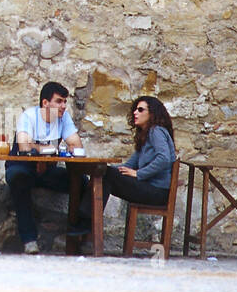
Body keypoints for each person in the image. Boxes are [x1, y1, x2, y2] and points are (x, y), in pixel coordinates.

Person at [71, 95, 177, 234]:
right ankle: (86, 223)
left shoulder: (155, 131)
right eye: (135, 109)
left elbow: (164, 158)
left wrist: (139, 174)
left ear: (152, 114)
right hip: (150, 189)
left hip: (157, 192)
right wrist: (103, 170)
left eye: (140, 110)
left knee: (106, 174)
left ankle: (85, 223)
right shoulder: (145, 136)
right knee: (104, 175)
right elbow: (128, 166)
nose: (135, 113)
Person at [4, 81, 85, 254]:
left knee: (82, 182)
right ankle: (29, 240)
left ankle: (78, 232)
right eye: (59, 101)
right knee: (19, 179)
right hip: (22, 166)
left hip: (46, 169)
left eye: (65, 101)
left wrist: (44, 155)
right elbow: (25, 147)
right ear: (45, 103)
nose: (64, 106)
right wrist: (49, 151)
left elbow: (76, 146)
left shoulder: (64, 119)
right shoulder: (29, 116)